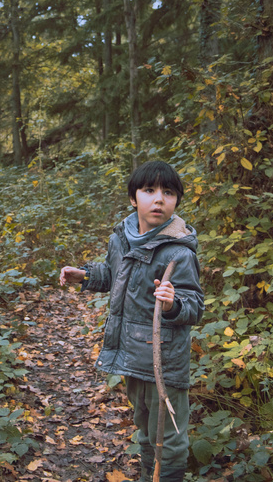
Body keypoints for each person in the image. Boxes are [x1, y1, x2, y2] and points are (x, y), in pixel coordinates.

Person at [60, 160, 203, 482]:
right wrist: (84, 275)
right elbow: (116, 275)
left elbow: (194, 306)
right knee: (145, 431)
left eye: (168, 193)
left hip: (164, 361)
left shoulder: (178, 252)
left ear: (177, 201)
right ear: (133, 198)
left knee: (169, 439)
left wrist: (173, 303)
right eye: (149, 190)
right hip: (131, 354)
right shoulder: (122, 239)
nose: (159, 199)